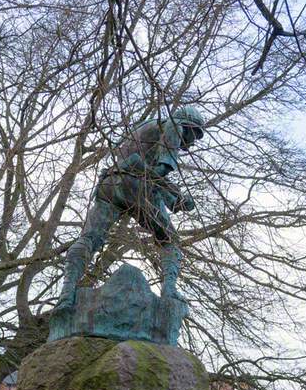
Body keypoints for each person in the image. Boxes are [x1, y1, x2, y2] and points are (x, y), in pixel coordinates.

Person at [56, 106, 206, 310]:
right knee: (170, 241)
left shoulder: (142, 127)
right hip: (135, 186)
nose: (191, 142)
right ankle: (169, 291)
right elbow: (157, 172)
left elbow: (139, 165)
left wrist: (172, 200)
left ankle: (67, 293)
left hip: (109, 182)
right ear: (188, 125)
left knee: (90, 238)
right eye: (194, 135)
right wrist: (178, 195)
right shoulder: (174, 125)